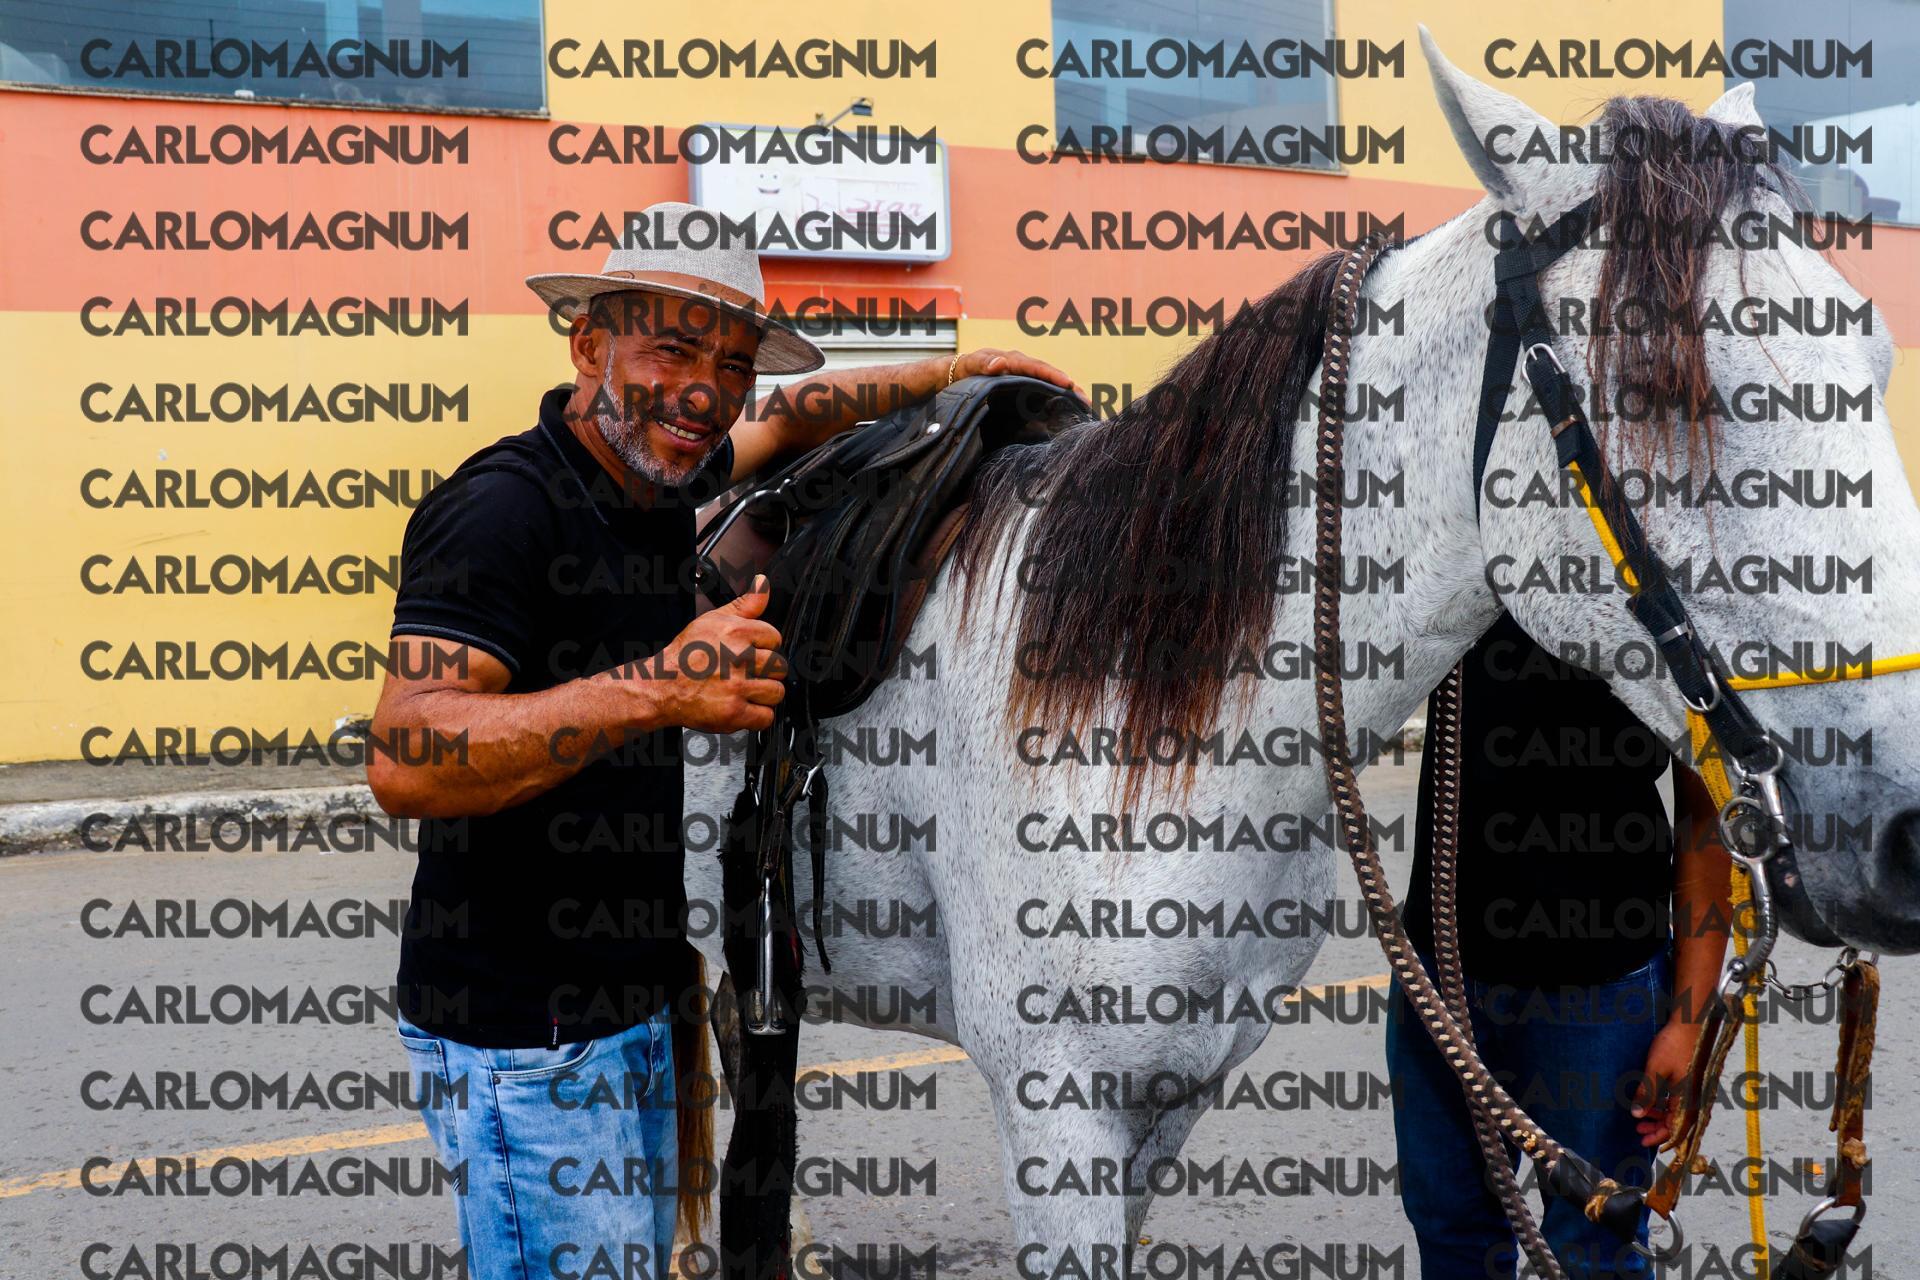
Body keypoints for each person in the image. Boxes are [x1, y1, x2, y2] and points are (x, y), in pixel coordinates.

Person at [365, 200, 1076, 1280]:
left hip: (634, 1013)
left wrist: (954, 371)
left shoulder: (659, 473)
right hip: (525, 1040)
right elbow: (407, 756)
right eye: (673, 350)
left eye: (732, 363)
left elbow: (790, 420)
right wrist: (661, 688)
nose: (707, 392)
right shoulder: (503, 509)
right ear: (590, 346)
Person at [1388, 610, 1732, 1279]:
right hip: (1439, 976)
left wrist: (1689, 1020)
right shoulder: (1462, 575)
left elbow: (1707, 819)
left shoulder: (1671, 605)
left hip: (1603, 998)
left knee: (1596, 1251)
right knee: (1450, 1232)